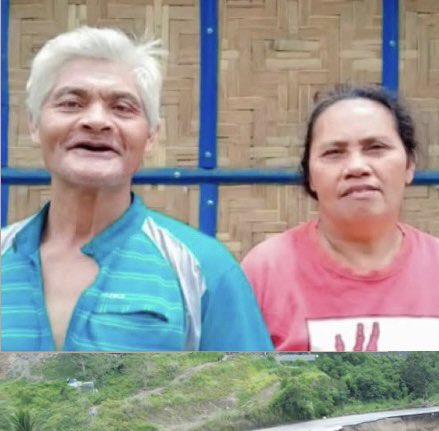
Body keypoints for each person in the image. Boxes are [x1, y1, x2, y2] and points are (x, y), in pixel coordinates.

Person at [1, 26, 272, 352]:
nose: (97, 121)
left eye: (122, 107)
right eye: (72, 103)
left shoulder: (203, 269)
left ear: (152, 135)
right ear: (34, 124)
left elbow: (249, 397)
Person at [241, 84, 439, 351]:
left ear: (409, 165)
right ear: (310, 175)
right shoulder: (264, 272)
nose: (356, 167)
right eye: (334, 153)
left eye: (375, 147)